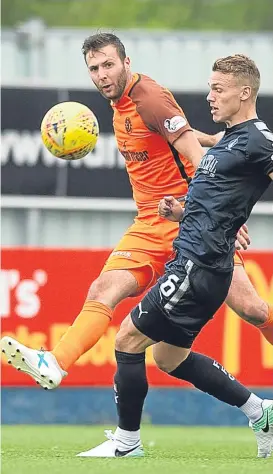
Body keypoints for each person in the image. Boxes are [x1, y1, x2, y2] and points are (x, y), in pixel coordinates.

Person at [1, 37, 272, 389]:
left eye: (108, 65)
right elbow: (183, 136)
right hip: (150, 222)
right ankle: (54, 362)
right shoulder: (123, 104)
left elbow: (199, 162)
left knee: (253, 309)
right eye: (94, 69)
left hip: (187, 222)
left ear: (127, 63)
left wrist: (218, 216)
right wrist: (214, 140)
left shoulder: (150, 98)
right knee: (102, 290)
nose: (101, 74)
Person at [74, 53, 273, 459]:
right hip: (199, 261)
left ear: (244, 92)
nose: (210, 96)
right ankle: (261, 412)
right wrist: (179, 211)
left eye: (218, 89)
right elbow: (218, 198)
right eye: (209, 88)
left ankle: (127, 443)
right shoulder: (231, 139)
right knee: (167, 357)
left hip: (198, 265)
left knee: (128, 339)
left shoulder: (258, 139)